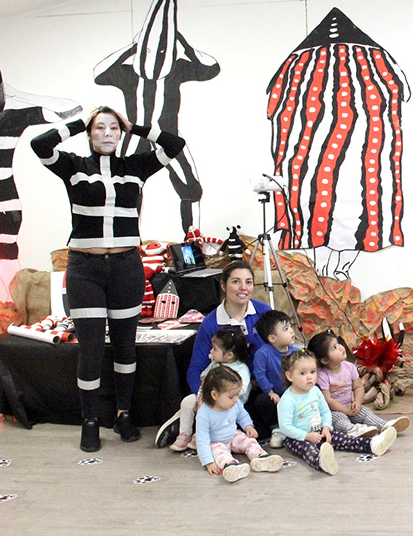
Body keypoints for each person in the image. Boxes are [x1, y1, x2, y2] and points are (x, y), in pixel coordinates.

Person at [30, 106, 185, 452]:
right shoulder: (73, 166)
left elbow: (176, 144)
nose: (107, 133)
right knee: (90, 349)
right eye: (99, 128)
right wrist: (77, 124)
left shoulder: (135, 167)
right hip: (85, 268)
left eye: (114, 128)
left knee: (125, 345)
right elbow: (40, 144)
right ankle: (90, 420)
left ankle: (124, 413)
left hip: (127, 266)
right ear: (90, 134)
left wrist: (136, 127)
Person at [277, 351, 397, 475]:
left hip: (320, 432)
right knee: (308, 449)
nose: (309, 377)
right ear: (290, 376)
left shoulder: (315, 391)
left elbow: (325, 411)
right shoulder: (287, 400)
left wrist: (326, 428)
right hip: (297, 438)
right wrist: (307, 436)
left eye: (313, 372)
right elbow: (286, 427)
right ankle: (321, 462)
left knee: (344, 439)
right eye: (303, 373)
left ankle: (372, 444)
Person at [186, 261, 271, 394]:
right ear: (223, 286)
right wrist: (203, 398)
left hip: (264, 388)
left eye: (248, 282)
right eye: (236, 282)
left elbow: (282, 349)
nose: (243, 287)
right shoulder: (210, 324)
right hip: (226, 395)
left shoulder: (264, 312)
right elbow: (195, 369)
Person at [307, 330, 410, 437]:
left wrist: (357, 402)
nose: (341, 347)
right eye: (334, 348)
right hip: (333, 410)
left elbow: (358, 387)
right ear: (324, 360)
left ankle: (384, 425)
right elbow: (328, 400)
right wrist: (345, 410)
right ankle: (353, 429)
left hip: (350, 405)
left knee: (365, 412)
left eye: (338, 343)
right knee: (338, 419)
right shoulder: (322, 375)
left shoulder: (349, 367)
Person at [194, 367, 283, 483]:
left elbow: (242, 415)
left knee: (249, 441)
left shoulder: (234, 404)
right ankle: (231, 466)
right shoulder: (204, 414)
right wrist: (208, 462)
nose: (236, 399)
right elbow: (202, 439)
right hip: (216, 441)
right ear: (214, 395)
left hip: (233, 435)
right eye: (231, 396)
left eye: (237, 395)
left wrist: (248, 426)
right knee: (220, 454)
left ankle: (260, 457)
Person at [169, 327, 251, 452]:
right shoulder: (214, 364)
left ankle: (200, 435)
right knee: (188, 401)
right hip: (209, 399)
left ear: (229, 355)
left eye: (215, 349)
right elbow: (204, 376)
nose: (211, 351)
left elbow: (242, 389)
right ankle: (185, 434)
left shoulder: (241, 368)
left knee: (205, 413)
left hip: (227, 407)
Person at [251, 310, 301, 445]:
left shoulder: (295, 352)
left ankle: (303, 423)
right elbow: (260, 375)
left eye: (291, 326)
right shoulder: (263, 354)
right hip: (275, 393)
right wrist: (270, 392)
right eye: (286, 329)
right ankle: (277, 429)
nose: (291, 331)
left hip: (294, 392)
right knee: (261, 400)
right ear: (272, 338)